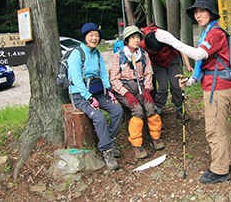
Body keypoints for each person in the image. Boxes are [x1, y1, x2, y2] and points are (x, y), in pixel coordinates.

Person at [155, 0, 231, 184]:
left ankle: (221, 170)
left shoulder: (215, 33)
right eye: (196, 12)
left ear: (211, 13)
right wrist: (190, 81)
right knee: (217, 128)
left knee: (215, 129)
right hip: (214, 86)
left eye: (202, 11)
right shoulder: (208, 32)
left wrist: (170, 39)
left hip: (218, 88)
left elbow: (199, 54)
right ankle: (223, 163)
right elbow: (203, 63)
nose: (198, 15)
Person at [68, 22, 123, 171]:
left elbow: (103, 73)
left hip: (97, 91)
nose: (94, 38)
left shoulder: (97, 53)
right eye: (91, 35)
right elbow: (77, 80)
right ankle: (107, 150)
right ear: (84, 37)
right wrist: (89, 98)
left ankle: (111, 139)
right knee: (98, 117)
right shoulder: (76, 54)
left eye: (97, 35)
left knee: (117, 110)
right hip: (80, 94)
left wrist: (108, 90)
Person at [110, 26, 164, 159]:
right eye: (133, 37)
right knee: (138, 110)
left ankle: (155, 137)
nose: (136, 40)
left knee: (151, 107)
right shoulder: (119, 56)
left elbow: (148, 74)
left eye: (138, 37)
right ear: (127, 40)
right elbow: (114, 79)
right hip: (125, 89)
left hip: (140, 87)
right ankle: (136, 144)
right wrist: (125, 93)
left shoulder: (144, 54)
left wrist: (147, 89)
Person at [140, 32, 193, 121]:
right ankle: (157, 112)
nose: (155, 52)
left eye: (156, 50)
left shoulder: (166, 40)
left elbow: (180, 48)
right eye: (153, 51)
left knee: (175, 84)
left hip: (172, 60)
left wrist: (188, 65)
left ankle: (179, 109)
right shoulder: (143, 45)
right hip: (157, 64)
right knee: (163, 87)